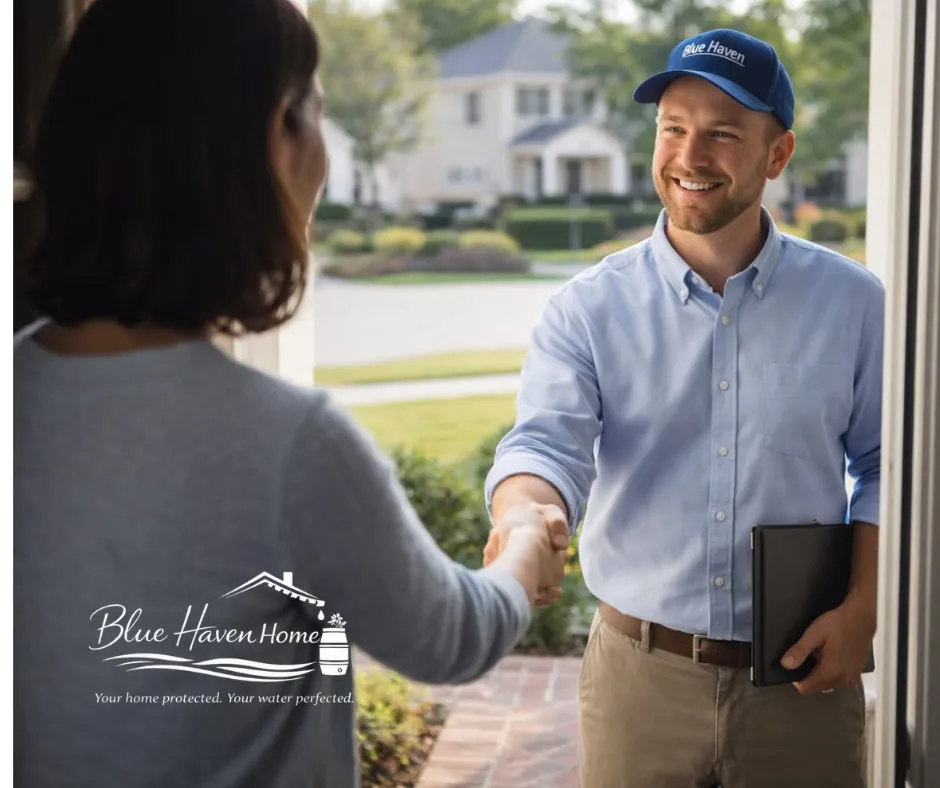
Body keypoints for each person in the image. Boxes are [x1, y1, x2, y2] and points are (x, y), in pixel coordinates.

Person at [12, 1, 566, 786]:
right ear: (279, 132)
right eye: (318, 117)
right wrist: (523, 550)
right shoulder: (287, 441)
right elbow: (450, 637)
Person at [482, 28, 883, 788]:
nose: (689, 156)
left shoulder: (855, 305)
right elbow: (544, 446)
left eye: (722, 134)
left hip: (801, 682)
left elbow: (884, 463)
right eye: (674, 129)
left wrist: (865, 604)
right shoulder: (587, 309)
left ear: (778, 155)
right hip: (640, 683)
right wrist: (522, 520)